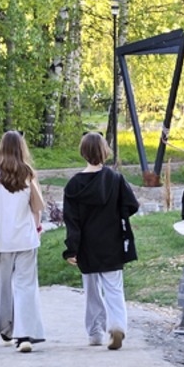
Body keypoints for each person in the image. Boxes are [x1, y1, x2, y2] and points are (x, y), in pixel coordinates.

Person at [62, 132, 139, 349]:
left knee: (91, 290)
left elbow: (72, 221)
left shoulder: (74, 185)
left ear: (83, 153)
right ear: (104, 151)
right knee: (114, 288)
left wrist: (72, 249)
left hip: (87, 245)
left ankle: (95, 332)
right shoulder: (115, 179)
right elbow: (132, 205)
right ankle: (117, 326)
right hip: (113, 241)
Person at [0, 130, 46, 352]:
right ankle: (25, 335)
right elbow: (37, 207)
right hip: (25, 238)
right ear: (22, 148)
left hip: (1, 239)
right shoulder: (27, 173)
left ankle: (5, 327)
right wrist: (37, 226)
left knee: (3, 286)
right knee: (26, 286)